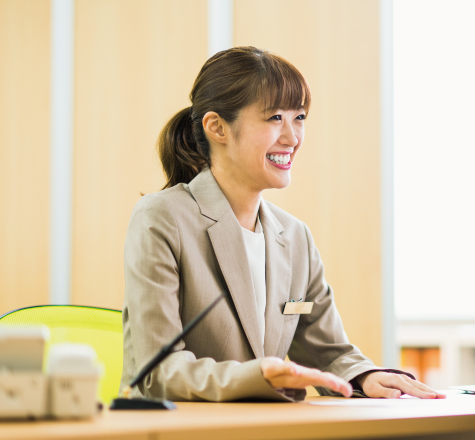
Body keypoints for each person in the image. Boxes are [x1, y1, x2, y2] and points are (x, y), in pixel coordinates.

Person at [122, 46, 443, 402]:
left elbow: (330, 353)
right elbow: (158, 370)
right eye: (275, 118)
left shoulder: (295, 237)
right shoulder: (161, 217)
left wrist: (365, 376)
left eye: (300, 117)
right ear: (217, 128)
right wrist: (256, 376)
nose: (292, 137)